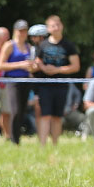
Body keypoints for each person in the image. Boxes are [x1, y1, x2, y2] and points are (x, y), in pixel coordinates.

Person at [33, 15, 80, 146]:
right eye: (53, 25)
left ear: (62, 26)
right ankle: (42, 145)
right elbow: (37, 62)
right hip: (45, 86)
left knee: (57, 116)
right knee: (45, 115)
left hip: (61, 85)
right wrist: (44, 68)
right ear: (48, 28)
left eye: (58, 25)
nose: (56, 27)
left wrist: (57, 70)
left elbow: (76, 66)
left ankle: (55, 145)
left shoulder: (68, 45)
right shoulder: (42, 45)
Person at [0, 20, 33, 144]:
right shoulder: (9, 45)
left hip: (26, 80)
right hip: (12, 81)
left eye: (24, 30)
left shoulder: (29, 47)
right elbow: (0, 65)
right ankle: (13, 139)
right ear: (15, 31)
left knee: (22, 110)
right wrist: (20, 65)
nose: (22, 33)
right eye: (20, 30)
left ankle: (17, 138)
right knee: (15, 110)